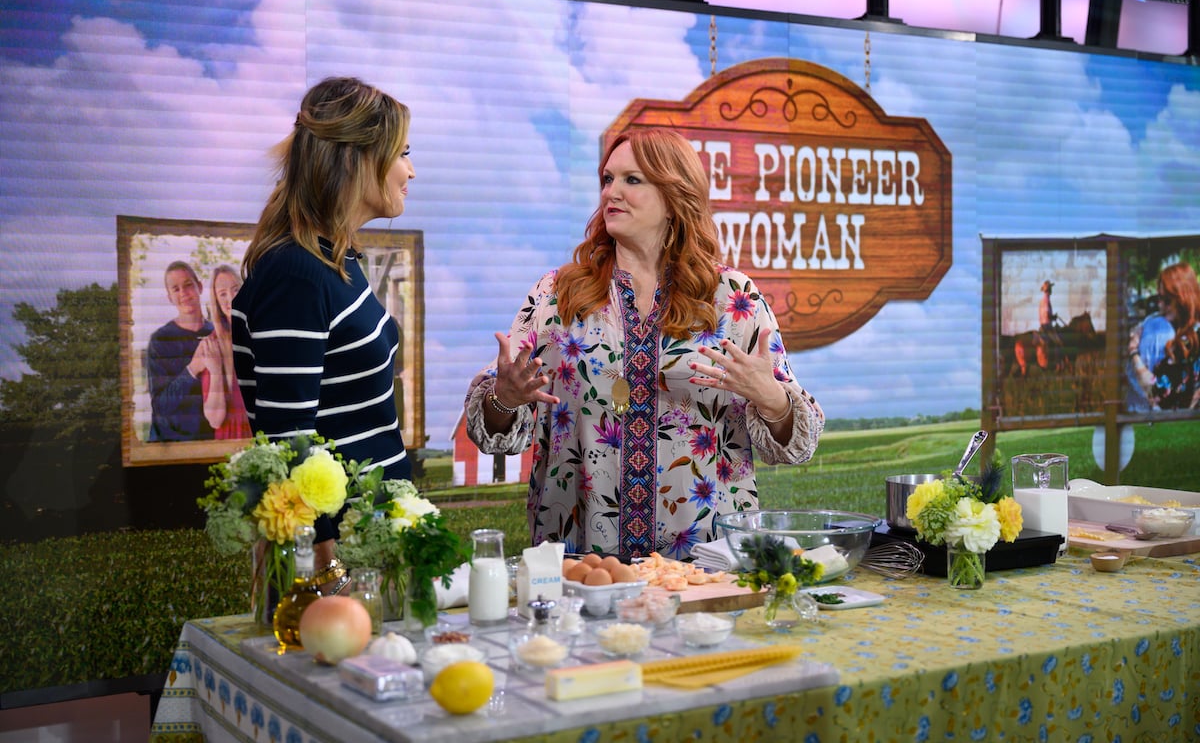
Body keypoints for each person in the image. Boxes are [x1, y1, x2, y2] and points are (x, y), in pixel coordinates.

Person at [464, 127, 824, 560]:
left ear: (675, 196)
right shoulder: (557, 295)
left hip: (704, 568)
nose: (612, 192)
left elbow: (797, 446)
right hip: (584, 569)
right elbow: (495, 435)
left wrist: (771, 398)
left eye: (632, 180)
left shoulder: (732, 298)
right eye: (607, 179)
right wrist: (503, 399)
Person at [232, 76, 415, 568]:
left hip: (372, 544)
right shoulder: (297, 273)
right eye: (402, 153)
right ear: (358, 160)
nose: (410, 171)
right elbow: (288, 444)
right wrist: (328, 568)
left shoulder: (337, 261)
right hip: (339, 561)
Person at [147, 261, 214, 441]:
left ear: (199, 287)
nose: (183, 293)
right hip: (171, 443)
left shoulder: (216, 335)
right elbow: (160, 405)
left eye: (188, 285)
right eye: (176, 289)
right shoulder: (160, 340)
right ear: (169, 297)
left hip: (209, 441)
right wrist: (192, 369)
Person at [1128, 262, 1200, 410]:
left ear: (1183, 299)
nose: (1160, 306)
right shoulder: (1186, 333)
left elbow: (1157, 393)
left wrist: (1133, 352)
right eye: (1158, 299)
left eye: (1167, 301)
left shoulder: (1189, 340)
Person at [195, 264, 251, 439]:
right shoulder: (212, 345)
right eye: (223, 294)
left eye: (236, 290)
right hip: (231, 440)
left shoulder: (265, 335)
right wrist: (216, 371)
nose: (232, 298)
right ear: (217, 303)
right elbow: (215, 420)